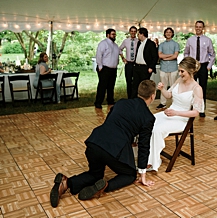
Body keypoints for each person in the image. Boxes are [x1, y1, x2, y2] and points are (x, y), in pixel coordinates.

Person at [49, 80, 157, 208]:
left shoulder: (121, 102)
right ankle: (104, 186)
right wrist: (142, 174)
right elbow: (144, 146)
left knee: (95, 173)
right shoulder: (148, 117)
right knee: (130, 174)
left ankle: (66, 183)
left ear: (138, 92)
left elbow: (112, 121)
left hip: (95, 141)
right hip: (113, 149)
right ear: (153, 96)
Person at [147, 57, 204, 172]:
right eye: (179, 71)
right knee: (148, 121)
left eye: (182, 71)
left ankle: (152, 162)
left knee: (157, 129)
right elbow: (168, 95)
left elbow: (196, 112)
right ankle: (145, 155)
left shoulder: (197, 88)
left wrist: (176, 113)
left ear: (191, 71)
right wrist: (162, 89)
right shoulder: (179, 81)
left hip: (182, 119)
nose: (179, 73)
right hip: (170, 113)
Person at [185, 21, 215, 118]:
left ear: (203, 28)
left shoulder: (208, 40)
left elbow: (212, 54)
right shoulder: (190, 40)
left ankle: (201, 109)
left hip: (203, 66)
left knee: (202, 88)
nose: (198, 28)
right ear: (195, 27)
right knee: (190, 87)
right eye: (197, 27)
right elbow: (186, 53)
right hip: (192, 66)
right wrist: (188, 64)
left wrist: (209, 66)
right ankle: (190, 108)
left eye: (200, 27)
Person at [94, 28, 119, 109]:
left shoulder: (115, 45)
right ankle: (98, 102)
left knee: (111, 86)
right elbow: (98, 55)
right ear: (108, 35)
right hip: (104, 68)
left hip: (113, 69)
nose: (114, 36)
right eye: (113, 34)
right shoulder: (103, 43)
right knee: (102, 86)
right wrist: (100, 66)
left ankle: (110, 100)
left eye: (115, 34)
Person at [157, 27, 180, 110]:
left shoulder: (176, 44)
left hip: (173, 68)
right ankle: (162, 103)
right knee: (163, 86)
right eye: (167, 32)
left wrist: (165, 57)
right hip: (163, 68)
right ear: (164, 34)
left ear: (172, 34)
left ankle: (175, 103)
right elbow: (160, 55)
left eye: (170, 32)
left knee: (174, 85)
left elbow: (175, 56)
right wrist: (170, 55)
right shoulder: (161, 45)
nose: (168, 33)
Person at [133, 28, 159, 101]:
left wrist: (151, 67)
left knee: (144, 86)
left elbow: (155, 56)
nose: (137, 35)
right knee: (135, 85)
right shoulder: (139, 43)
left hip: (145, 68)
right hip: (137, 67)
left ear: (142, 34)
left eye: (138, 34)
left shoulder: (151, 43)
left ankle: (143, 101)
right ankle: (134, 100)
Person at [120, 26, 139, 99]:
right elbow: (120, 49)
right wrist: (123, 58)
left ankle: (135, 96)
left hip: (136, 63)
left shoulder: (138, 41)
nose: (133, 32)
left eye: (135, 31)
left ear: (136, 32)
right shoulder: (126, 41)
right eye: (132, 31)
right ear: (130, 32)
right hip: (128, 63)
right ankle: (129, 97)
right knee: (128, 80)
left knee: (135, 81)